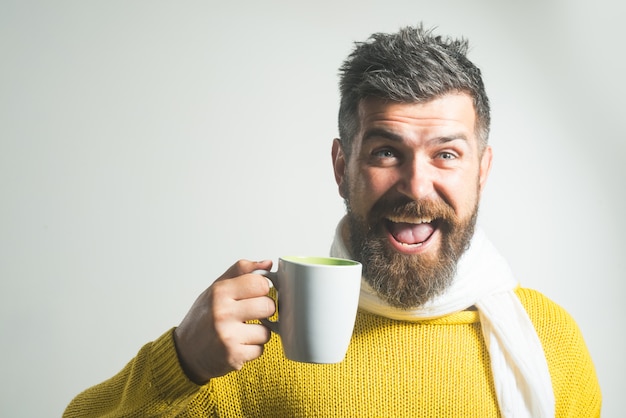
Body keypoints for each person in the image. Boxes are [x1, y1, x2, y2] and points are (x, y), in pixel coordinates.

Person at [64, 25, 601, 417]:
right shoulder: (260, 339)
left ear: (482, 171)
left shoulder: (549, 340)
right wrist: (181, 361)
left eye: (446, 155)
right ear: (342, 166)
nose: (416, 187)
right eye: (386, 152)